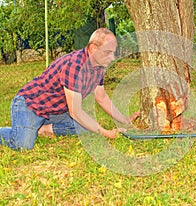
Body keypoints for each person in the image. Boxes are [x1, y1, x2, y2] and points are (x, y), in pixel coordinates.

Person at [0, 28, 139, 150]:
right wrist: (106, 133)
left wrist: (125, 120)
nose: (112, 57)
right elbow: (76, 112)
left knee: (85, 127)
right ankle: (26, 129)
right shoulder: (75, 65)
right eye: (108, 52)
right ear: (93, 49)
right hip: (30, 105)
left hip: (55, 112)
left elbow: (102, 98)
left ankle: (43, 129)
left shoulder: (98, 67)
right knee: (22, 144)